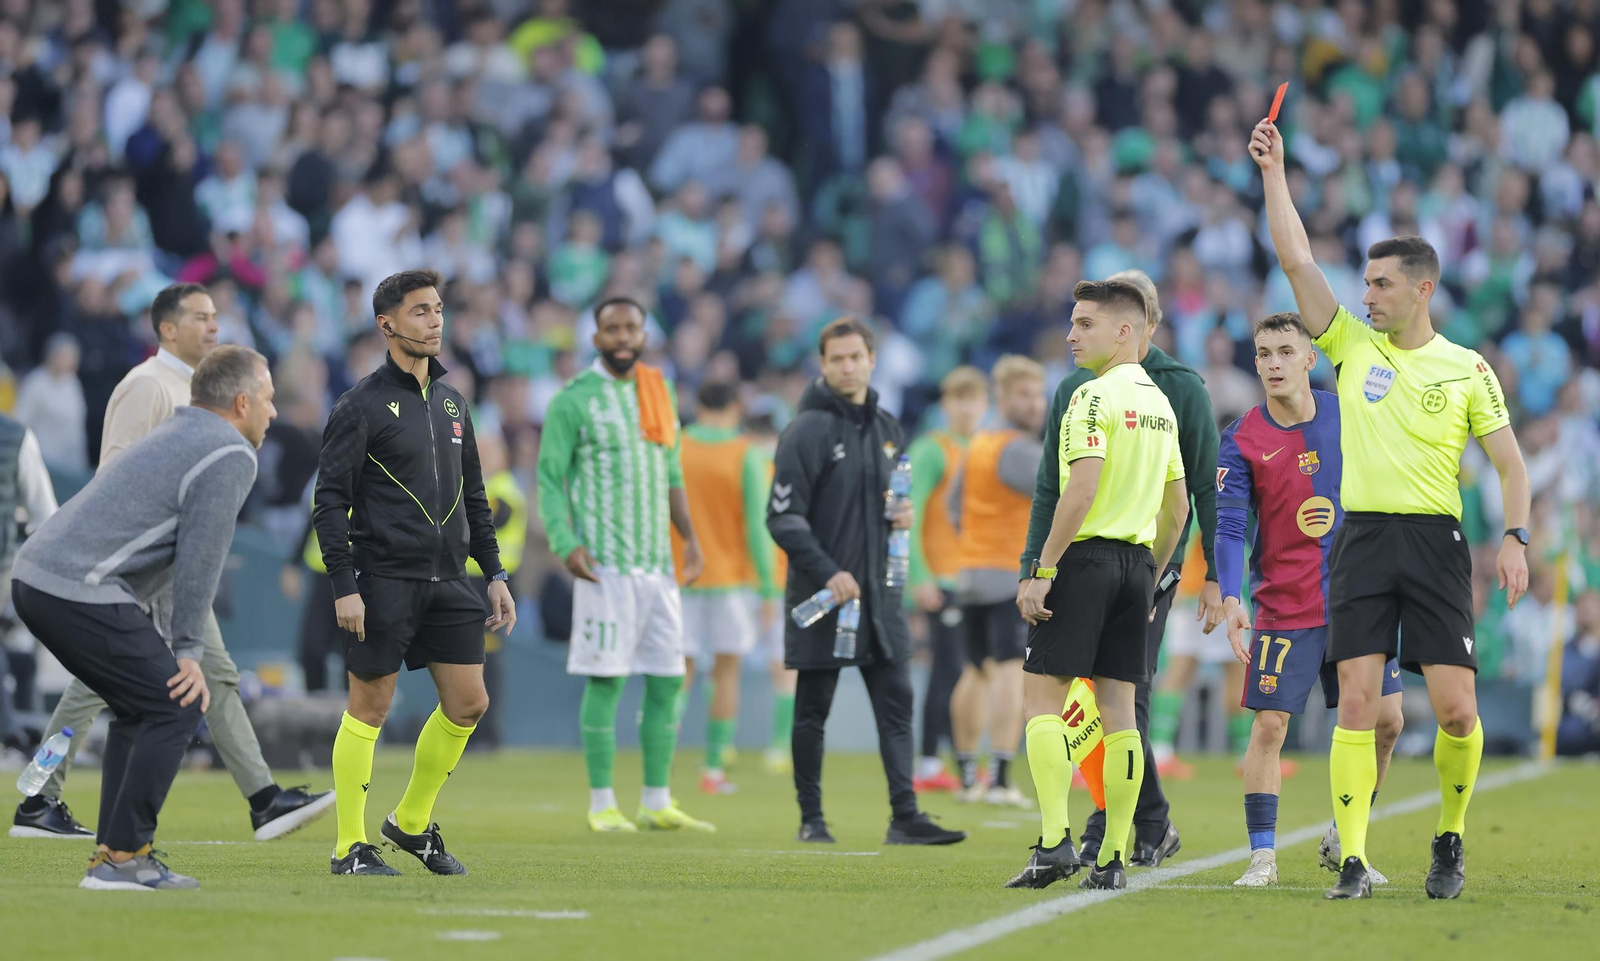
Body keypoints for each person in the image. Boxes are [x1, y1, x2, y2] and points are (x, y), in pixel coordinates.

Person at [1252, 118, 1531, 900]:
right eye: (1365, 283)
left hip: (1438, 543)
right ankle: (1352, 857)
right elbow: (1296, 258)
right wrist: (1276, 172)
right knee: (1361, 706)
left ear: (1423, 288)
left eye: (1380, 284)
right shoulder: (1350, 345)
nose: (1365, 294)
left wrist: (1513, 535)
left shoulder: (1468, 368)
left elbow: (1511, 463)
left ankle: (1450, 837)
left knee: (1455, 712)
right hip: (1364, 540)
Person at [13, 283, 333, 843]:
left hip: (139, 569)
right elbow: (116, 482)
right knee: (160, 689)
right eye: (200, 318)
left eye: (216, 317)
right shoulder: (148, 387)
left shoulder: (200, 389)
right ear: (166, 328)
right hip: (122, 572)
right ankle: (46, 793)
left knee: (201, 681)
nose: (213, 327)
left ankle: (259, 796)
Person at [11, 346, 274, 890]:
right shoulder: (230, 450)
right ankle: (125, 858)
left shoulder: (179, 431)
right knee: (177, 703)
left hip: (39, 576)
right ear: (242, 402)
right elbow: (199, 559)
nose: (273, 413)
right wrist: (188, 652)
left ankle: (113, 857)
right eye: (268, 401)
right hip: (77, 585)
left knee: (142, 709)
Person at [314, 269, 518, 877]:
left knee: (469, 704)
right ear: (388, 325)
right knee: (370, 708)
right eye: (421, 312)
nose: (435, 321)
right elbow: (329, 501)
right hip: (383, 580)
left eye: (438, 310)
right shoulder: (359, 405)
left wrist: (496, 573)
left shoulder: (455, 403)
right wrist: (345, 585)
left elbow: (475, 495)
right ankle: (349, 845)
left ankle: (408, 822)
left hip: (452, 579)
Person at [1019, 268, 1220, 868]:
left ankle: (1055, 840)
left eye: (1084, 324)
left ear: (1128, 328)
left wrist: (1043, 568)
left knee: (1045, 703)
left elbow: (1071, 493)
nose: (1071, 336)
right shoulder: (1160, 403)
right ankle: (1115, 849)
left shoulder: (1090, 395)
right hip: (1140, 565)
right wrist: (1155, 571)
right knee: (1121, 712)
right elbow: (1179, 503)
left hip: (1083, 561)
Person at [1216, 312, 1405, 888]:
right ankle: (1263, 858)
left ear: (1309, 358)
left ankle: (1343, 838)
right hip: (1285, 606)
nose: (1272, 363)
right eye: (1263, 353)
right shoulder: (1242, 437)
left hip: (1358, 599)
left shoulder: (1349, 412)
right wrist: (1230, 597)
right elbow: (1228, 528)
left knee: (1389, 722)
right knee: (1270, 726)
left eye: (1284, 352)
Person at [768, 316, 966, 846]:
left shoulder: (887, 428)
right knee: (813, 708)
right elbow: (783, 517)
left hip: (880, 597)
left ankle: (905, 815)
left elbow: (892, 498)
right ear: (823, 364)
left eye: (856, 357)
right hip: (824, 595)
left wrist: (899, 514)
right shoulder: (804, 430)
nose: (848, 366)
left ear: (872, 360)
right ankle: (812, 819)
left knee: (897, 703)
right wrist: (827, 571)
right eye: (837, 359)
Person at [536, 296, 715, 834]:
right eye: (610, 328)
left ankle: (657, 800)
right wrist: (566, 543)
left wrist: (691, 540)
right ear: (595, 339)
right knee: (608, 682)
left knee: (667, 681)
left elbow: (674, 475)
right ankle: (601, 804)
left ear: (643, 334)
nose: (621, 336)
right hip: (604, 567)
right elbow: (549, 478)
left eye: (630, 327)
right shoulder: (574, 400)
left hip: (657, 567)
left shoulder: (658, 391)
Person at [946, 356, 1045, 807]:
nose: (1035, 403)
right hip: (1008, 574)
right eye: (1024, 395)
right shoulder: (1019, 450)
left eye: (1038, 394)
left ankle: (968, 775)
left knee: (975, 672)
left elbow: (951, 506)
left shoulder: (979, 443)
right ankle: (1001, 778)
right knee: (1010, 673)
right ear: (1002, 398)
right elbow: (1064, 498)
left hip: (969, 570)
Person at [671, 380, 779, 794]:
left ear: (698, 406)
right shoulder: (746, 453)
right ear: (735, 407)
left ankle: (661, 765)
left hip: (680, 576)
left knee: (679, 673)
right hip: (730, 580)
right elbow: (756, 524)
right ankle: (713, 768)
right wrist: (769, 587)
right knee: (727, 671)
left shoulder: (676, 446)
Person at [907, 365, 988, 795]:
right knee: (947, 671)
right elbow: (910, 513)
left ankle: (963, 763)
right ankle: (928, 761)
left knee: (972, 672)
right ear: (945, 405)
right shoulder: (931, 449)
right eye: (958, 399)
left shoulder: (986, 448)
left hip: (977, 579)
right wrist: (917, 575)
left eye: (972, 399)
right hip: (941, 577)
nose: (966, 408)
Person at [0, 409, 59, 770]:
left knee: (20, 656)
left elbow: (45, 518)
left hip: (4, 569)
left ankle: (16, 739)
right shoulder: (14, 435)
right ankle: (17, 738)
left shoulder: (13, 437)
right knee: (18, 660)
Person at [464, 429, 528, 749]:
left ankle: (486, 730)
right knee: (469, 657)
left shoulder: (503, 491)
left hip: (494, 586)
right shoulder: (479, 487)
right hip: (470, 583)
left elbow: (485, 521)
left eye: (488, 452)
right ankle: (473, 727)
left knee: (485, 658)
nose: (482, 458)